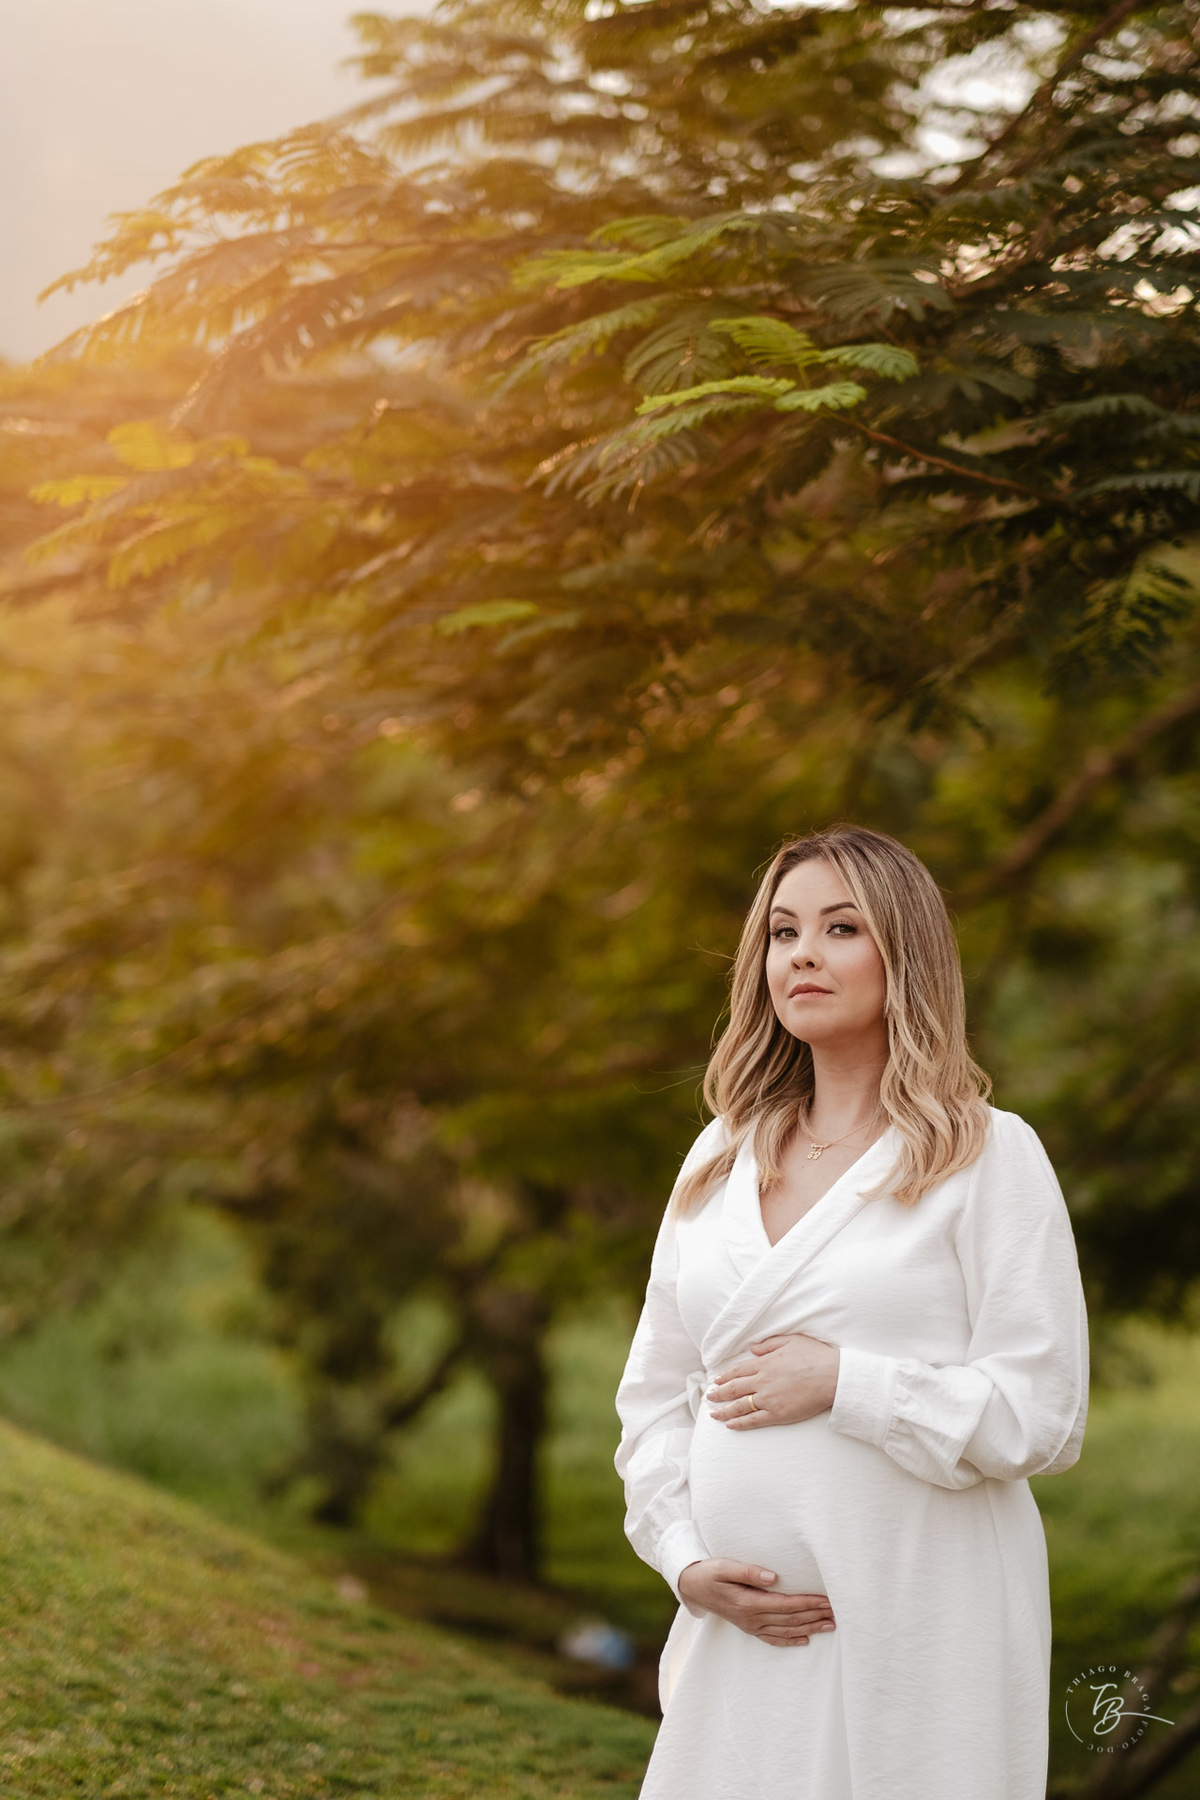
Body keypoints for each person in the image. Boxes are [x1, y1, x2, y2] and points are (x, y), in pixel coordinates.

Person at [614, 825, 1089, 1800]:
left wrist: (848, 1382)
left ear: (903, 954)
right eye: (784, 932)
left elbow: (1042, 1415)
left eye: (840, 928)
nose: (803, 955)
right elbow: (657, 1393)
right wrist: (683, 1556)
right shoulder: (719, 1155)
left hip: (921, 1611)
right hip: (740, 1632)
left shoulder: (988, 1156)